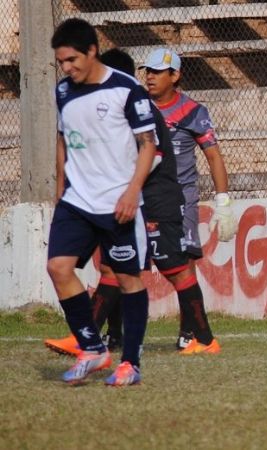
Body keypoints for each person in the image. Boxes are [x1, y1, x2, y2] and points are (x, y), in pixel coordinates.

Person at [44, 48, 222, 356]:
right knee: (113, 269)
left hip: (156, 199)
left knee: (176, 269)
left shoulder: (140, 108)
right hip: (131, 200)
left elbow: (154, 155)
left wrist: (125, 185)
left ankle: (205, 340)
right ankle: (87, 338)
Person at [48, 19, 156, 386]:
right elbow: (62, 140)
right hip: (77, 200)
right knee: (59, 268)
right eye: (61, 62)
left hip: (117, 202)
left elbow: (148, 145)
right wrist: (60, 188)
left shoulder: (126, 89)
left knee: (128, 279)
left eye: (72, 60)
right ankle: (92, 348)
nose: (67, 68)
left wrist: (131, 193)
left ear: (91, 51)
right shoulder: (63, 91)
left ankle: (131, 363)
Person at [140, 47, 236, 351]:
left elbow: (214, 157)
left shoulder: (193, 112)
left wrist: (223, 203)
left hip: (180, 199)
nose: (150, 77)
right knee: (124, 263)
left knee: (183, 262)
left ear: (175, 75)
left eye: (157, 71)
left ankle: (190, 332)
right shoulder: (139, 107)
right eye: (147, 71)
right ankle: (114, 333)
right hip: (140, 196)